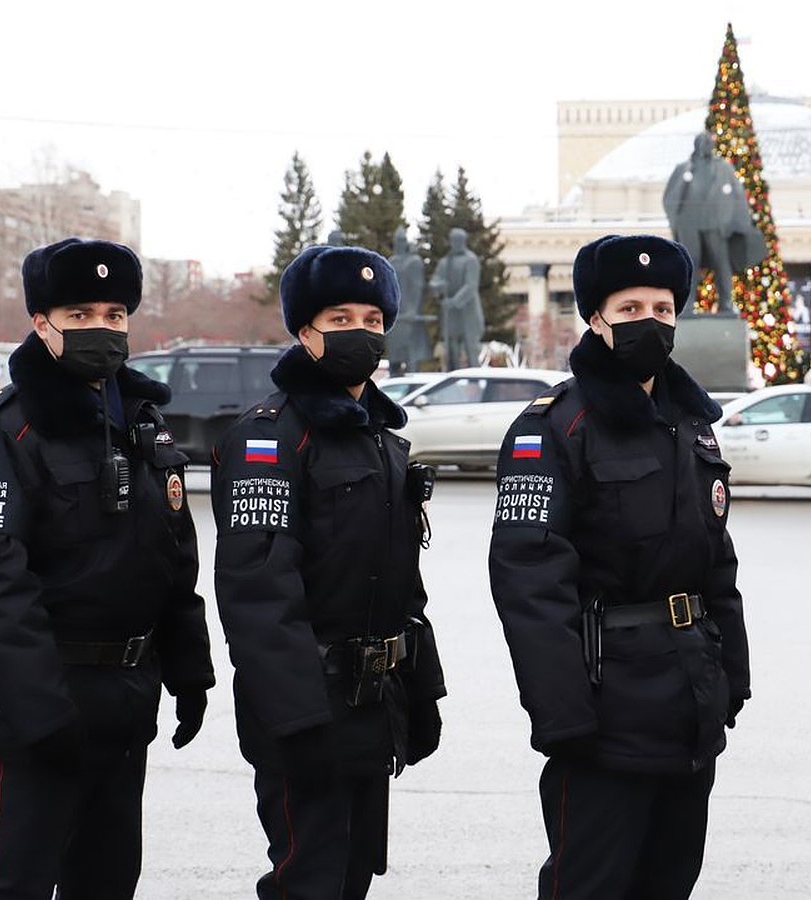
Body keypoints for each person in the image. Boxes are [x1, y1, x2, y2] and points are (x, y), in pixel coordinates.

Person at [0, 237, 215, 899]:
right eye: (80, 313)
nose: (102, 326)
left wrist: (188, 670)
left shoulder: (144, 425)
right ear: (42, 323)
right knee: (16, 883)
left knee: (107, 881)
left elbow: (173, 559)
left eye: (115, 313)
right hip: (40, 702)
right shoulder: (0, 433)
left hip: (127, 697)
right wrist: (42, 712)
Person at [489, 234, 750, 899]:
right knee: (592, 885)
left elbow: (715, 563)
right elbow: (529, 581)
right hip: (604, 712)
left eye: (662, 307)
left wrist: (733, 676)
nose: (650, 321)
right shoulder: (553, 427)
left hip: (689, 700)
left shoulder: (691, 425)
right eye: (630, 306)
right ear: (597, 319)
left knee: (669, 882)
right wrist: (562, 713)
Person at [212, 244, 447, 900]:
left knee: (351, 876)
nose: (361, 334)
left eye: (373, 320)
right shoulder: (269, 438)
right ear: (304, 330)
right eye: (340, 319)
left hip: (374, 706)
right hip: (306, 709)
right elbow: (258, 591)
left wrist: (421, 690)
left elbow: (405, 584)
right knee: (307, 880)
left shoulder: (384, 442)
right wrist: (298, 721)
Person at [663, 131, 766, 315]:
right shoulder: (684, 168)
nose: (704, 145)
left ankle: (726, 304)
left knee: (721, 263)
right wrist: (676, 222)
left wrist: (734, 222)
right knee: (689, 264)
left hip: (715, 223)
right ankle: (687, 305)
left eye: (707, 142)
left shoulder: (723, 168)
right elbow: (670, 197)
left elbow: (736, 196)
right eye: (700, 142)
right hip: (689, 223)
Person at [429, 227, 484, 369]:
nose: (455, 243)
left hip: (467, 313)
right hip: (451, 316)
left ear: (463, 241)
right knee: (452, 353)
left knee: (471, 350)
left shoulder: (470, 260)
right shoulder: (445, 262)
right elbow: (435, 280)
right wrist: (438, 286)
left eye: (458, 240)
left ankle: (475, 380)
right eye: (453, 240)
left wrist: (453, 302)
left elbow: (470, 286)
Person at [385, 225, 431, 374]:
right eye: (397, 240)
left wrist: (412, 310)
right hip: (395, 317)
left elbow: (417, 287)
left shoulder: (414, 262)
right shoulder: (391, 261)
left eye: (402, 240)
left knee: (412, 359)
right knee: (394, 359)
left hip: (409, 317)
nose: (400, 243)